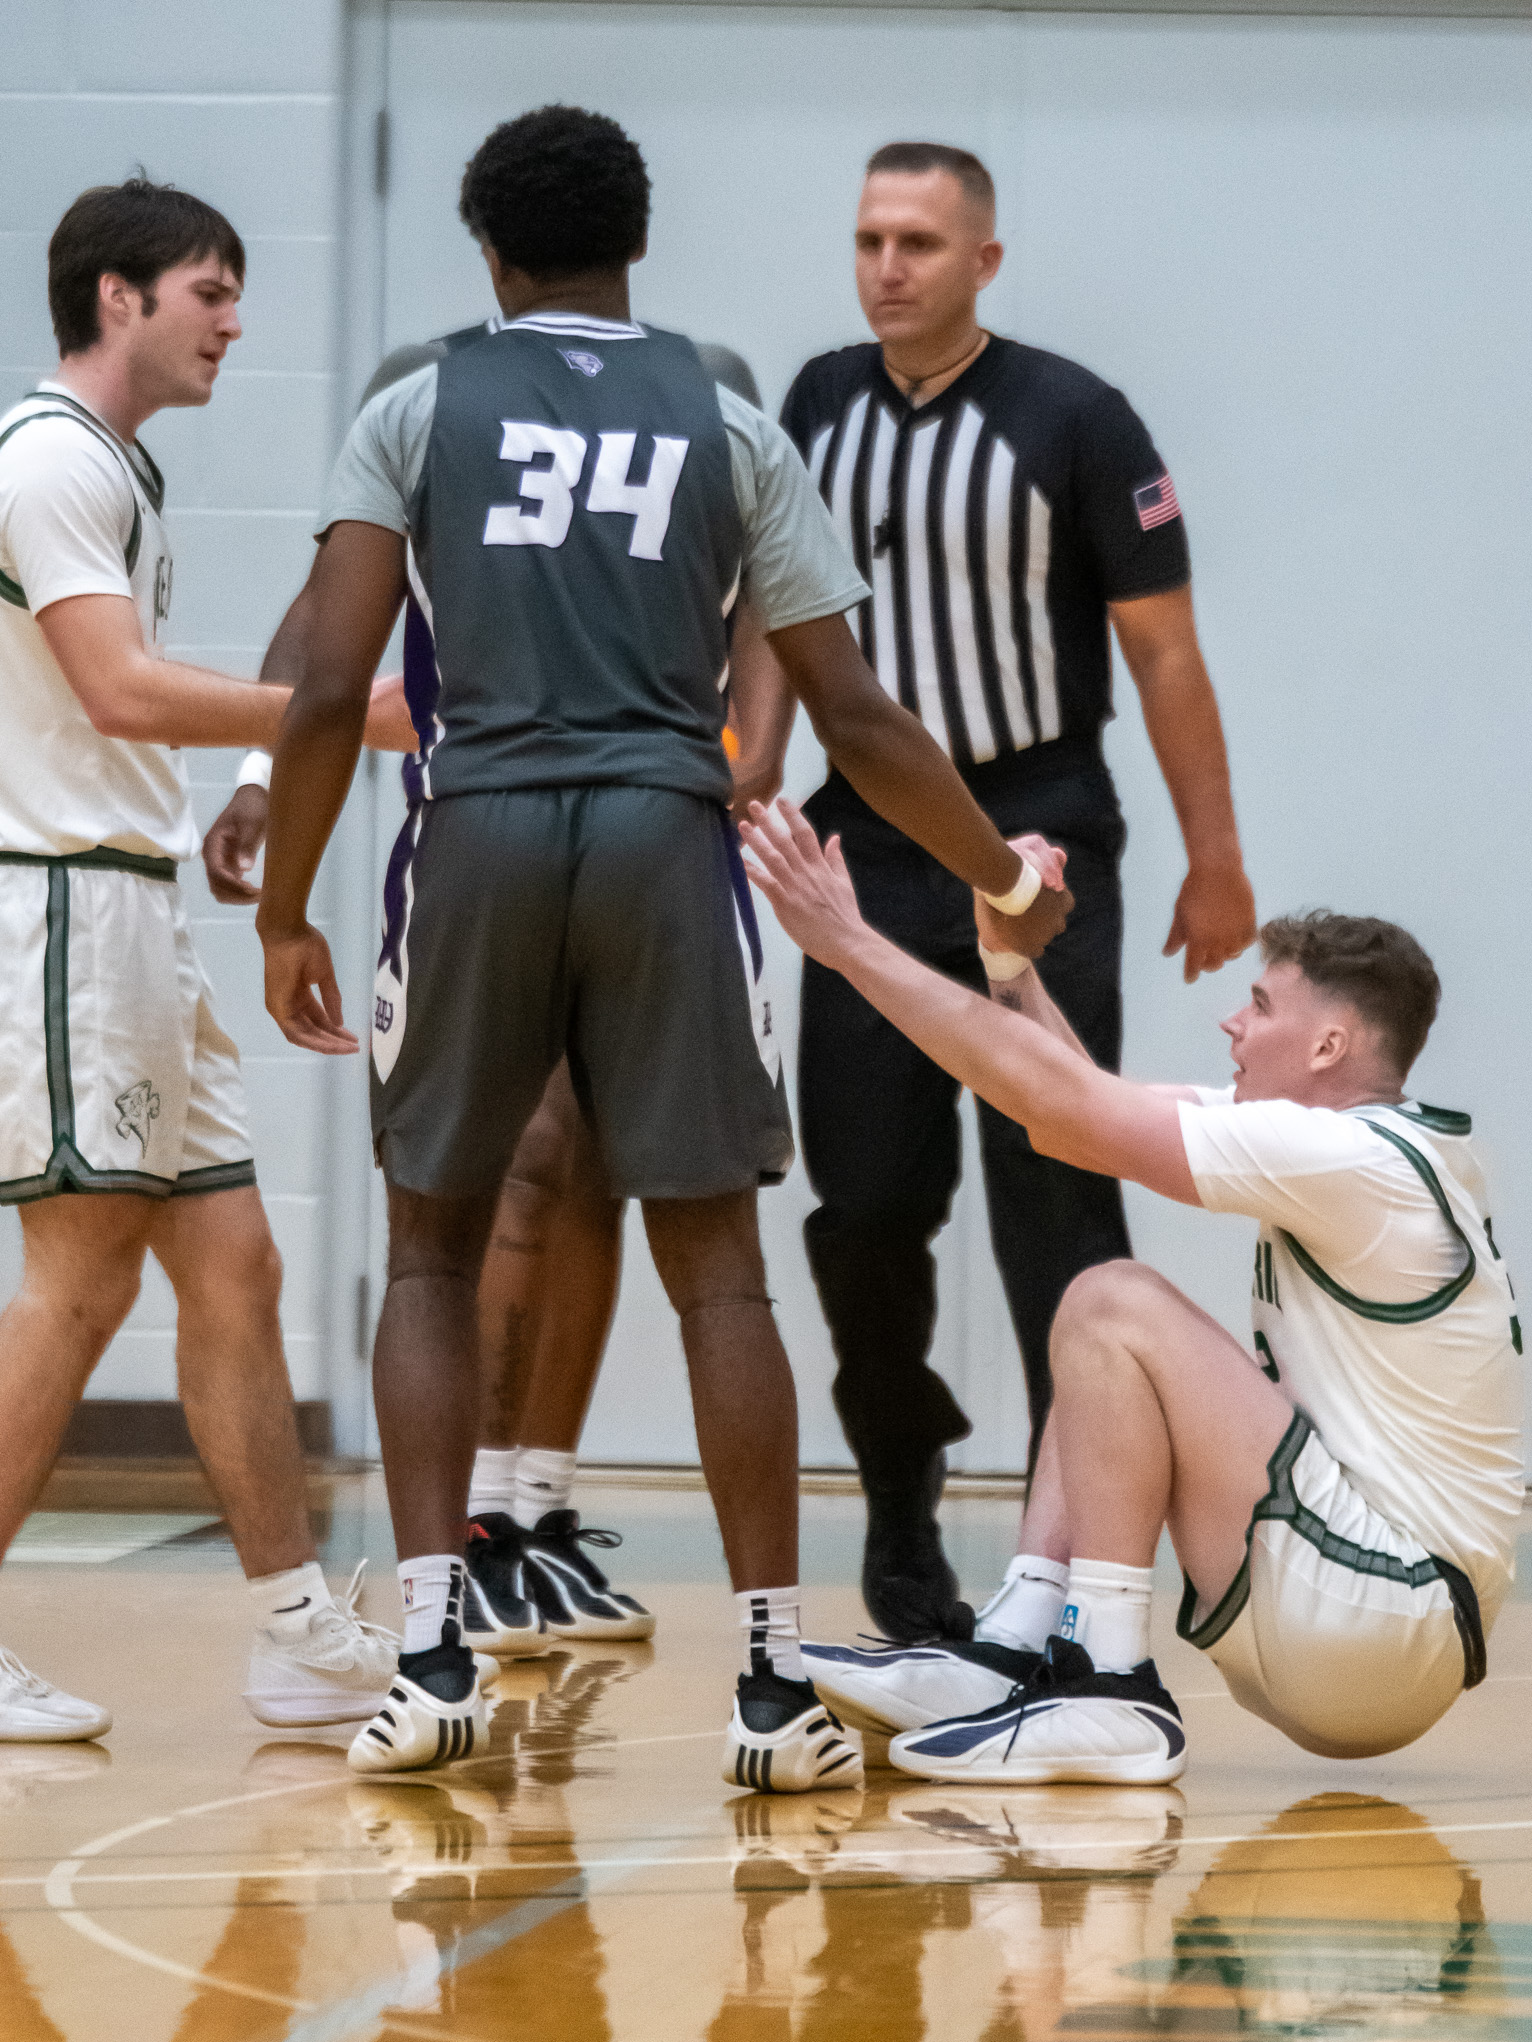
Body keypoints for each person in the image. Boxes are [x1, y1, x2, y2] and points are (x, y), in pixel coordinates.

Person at [255, 107, 1068, 1787]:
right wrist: (997, 872)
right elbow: (848, 703)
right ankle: (771, 1688)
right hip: (658, 830)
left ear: (487, 250)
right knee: (718, 1265)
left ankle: (429, 1659)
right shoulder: (725, 419)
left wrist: (283, 905)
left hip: (474, 827)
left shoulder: (415, 408)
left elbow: (331, 680)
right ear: (636, 243)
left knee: (427, 1247)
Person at [742, 797, 1524, 1781]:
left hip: (1385, 1610)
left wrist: (848, 943)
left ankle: (1107, 1678)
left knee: (1112, 1300)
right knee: (1096, 1315)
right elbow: (1072, 1105)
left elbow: (1064, 1112)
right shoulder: (1359, 1143)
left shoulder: (1348, 1155)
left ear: (1330, 1046)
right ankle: (1019, 1643)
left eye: (1263, 1004)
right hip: (1374, 1624)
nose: (1232, 1021)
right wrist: (1009, 964)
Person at [203, 340, 774, 1659]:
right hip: (489, 836)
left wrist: (757, 745)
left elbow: (766, 616)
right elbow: (323, 615)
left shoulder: (710, 391)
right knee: (513, 1168)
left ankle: (533, 1511)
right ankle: (470, 1539)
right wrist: (256, 767)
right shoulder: (427, 394)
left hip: (632, 833)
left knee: (593, 1176)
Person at [771, 141, 1259, 1643]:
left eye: (918, 241)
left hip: (1039, 835)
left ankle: (1078, 1571)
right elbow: (772, 629)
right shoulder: (813, 404)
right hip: (863, 844)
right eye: (866, 238)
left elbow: (1163, 651)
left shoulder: (1077, 418)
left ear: (984, 259)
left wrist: (1215, 855)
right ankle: (904, 1507)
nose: (885, 267)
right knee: (862, 1210)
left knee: (1055, 1198)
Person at [0, 180, 414, 1742]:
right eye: (209, 292)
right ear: (118, 298)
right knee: (82, 1284)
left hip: (133, 910)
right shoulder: (46, 458)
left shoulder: (114, 467)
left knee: (235, 1266)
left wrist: (249, 786)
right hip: (63, 912)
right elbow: (116, 691)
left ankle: (292, 1627)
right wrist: (330, 724)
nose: (235, 322)